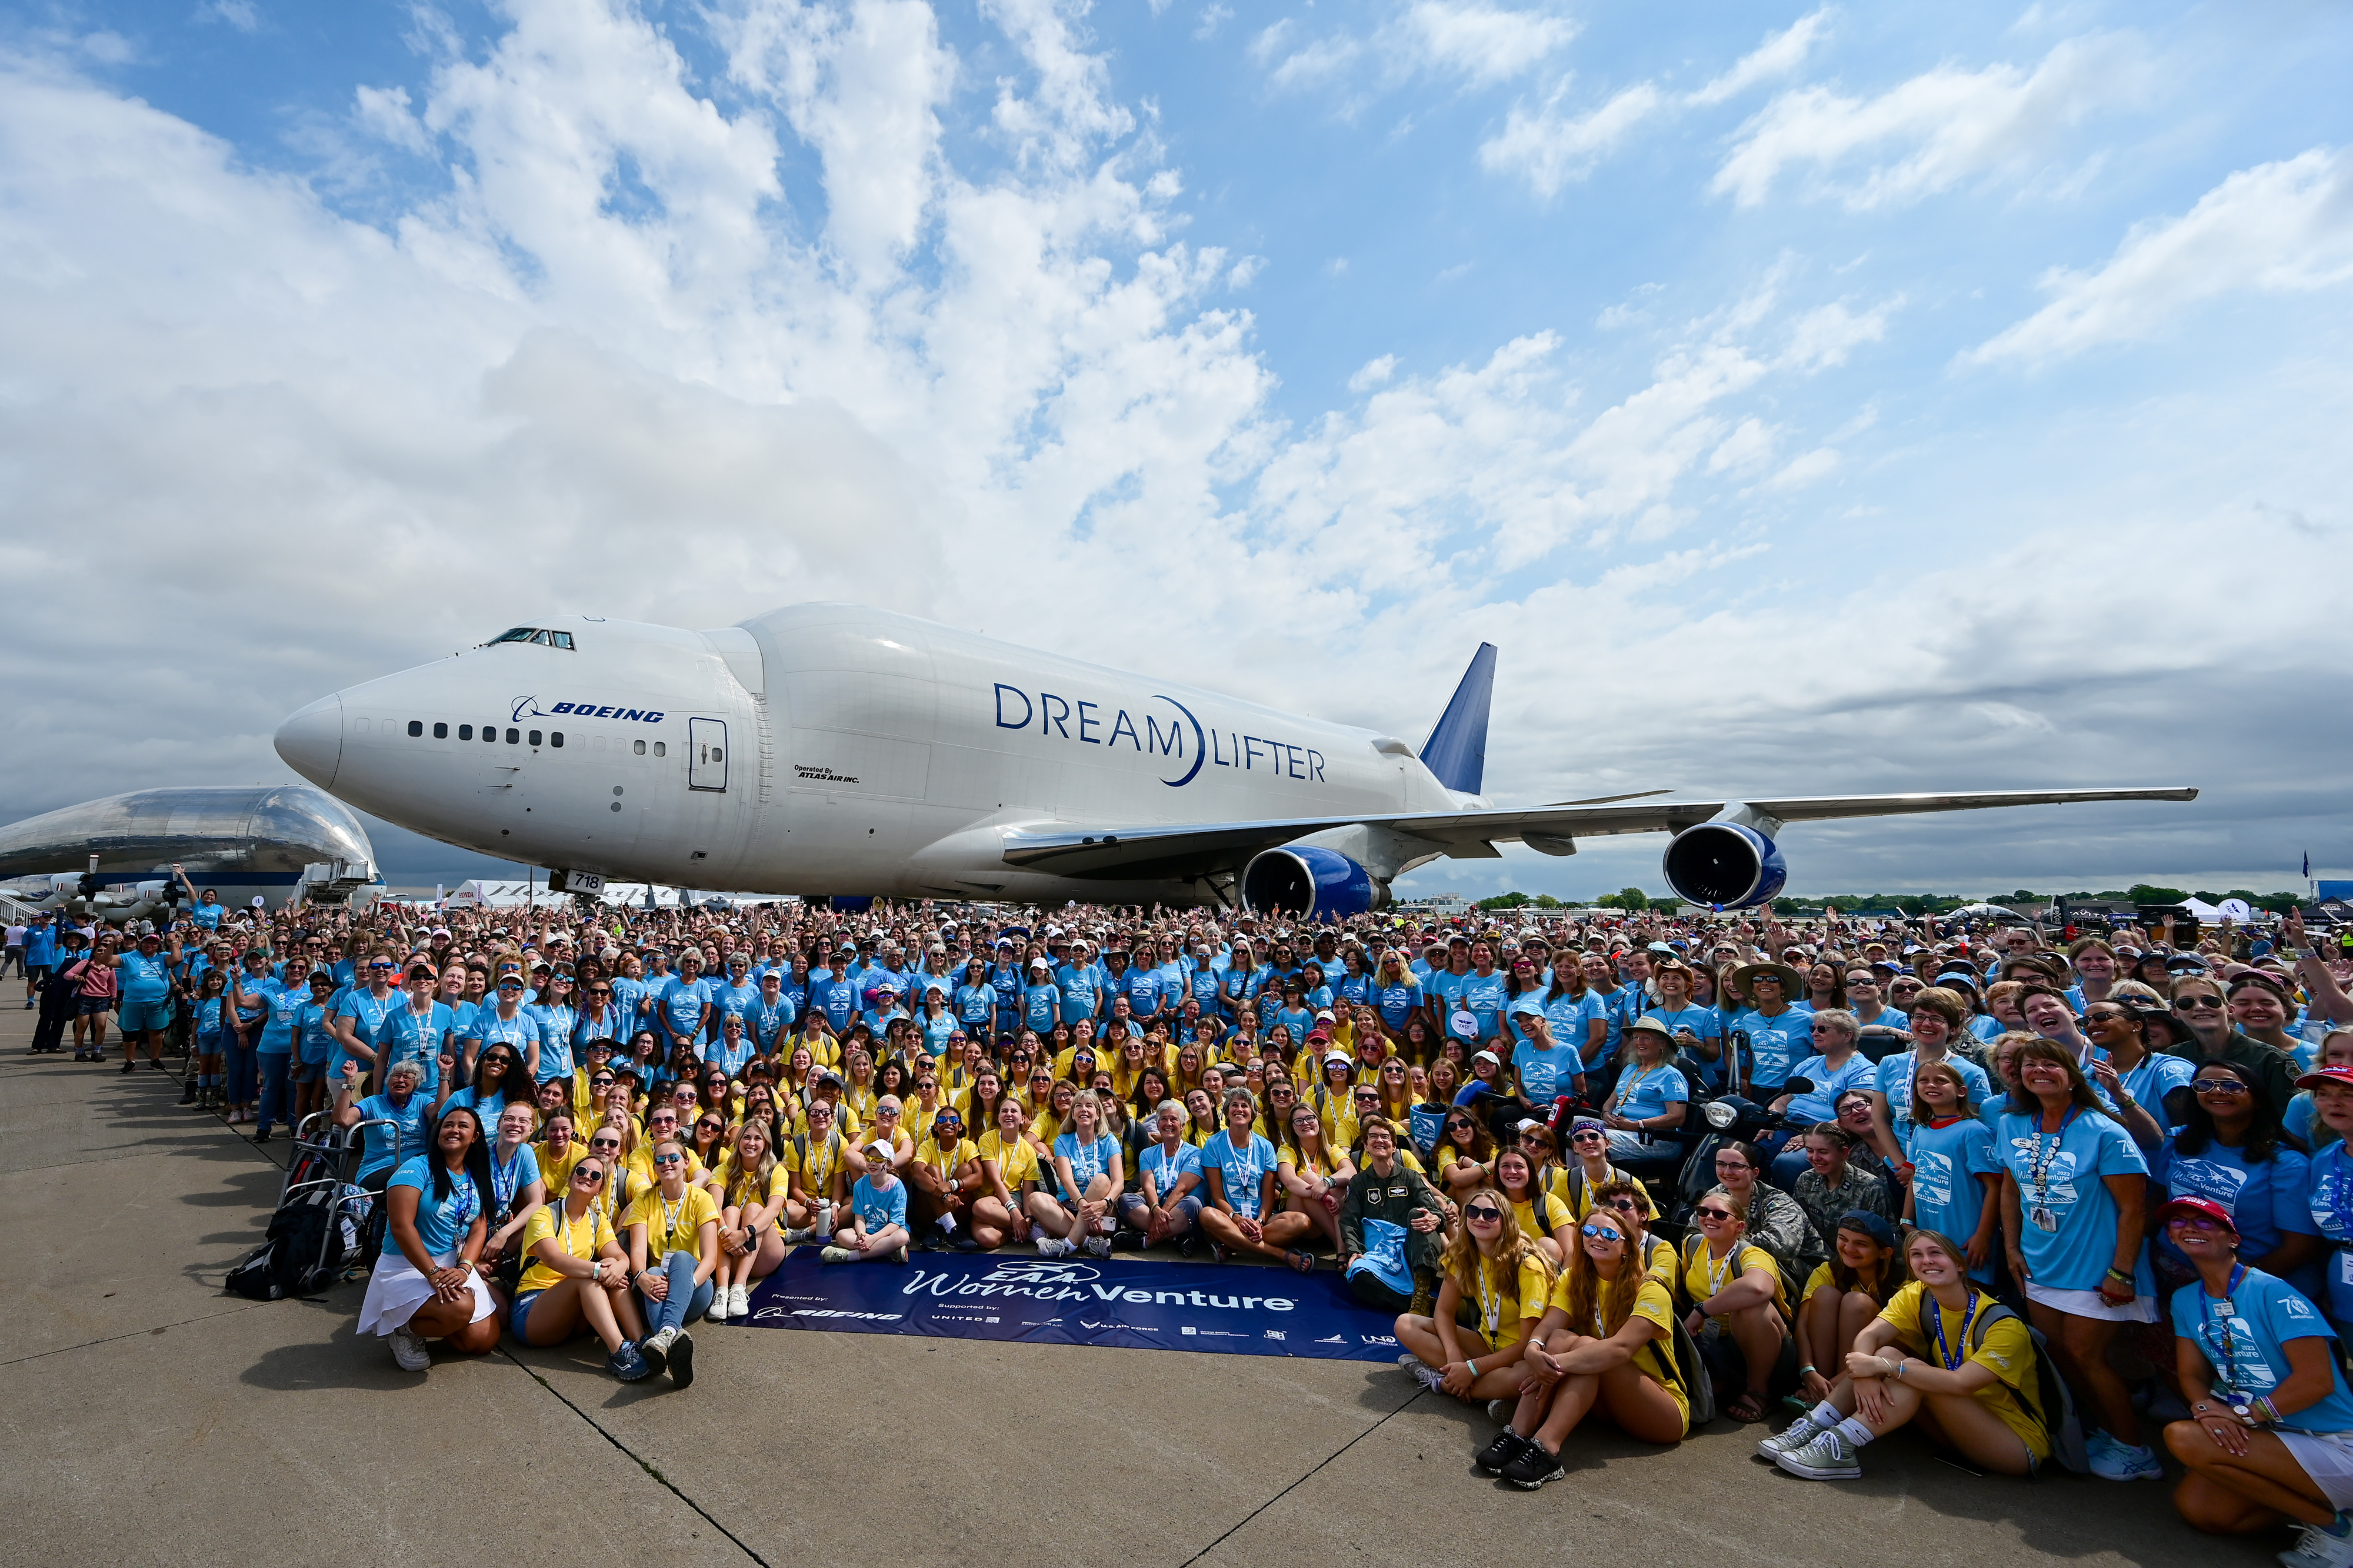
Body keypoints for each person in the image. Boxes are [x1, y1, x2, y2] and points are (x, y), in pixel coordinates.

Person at [1997, 1038, 2164, 1481]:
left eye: (2051, 1065)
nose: (2039, 1071)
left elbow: (2134, 1208)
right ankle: (2109, 1432)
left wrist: (2121, 1272)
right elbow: (2011, 1189)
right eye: (2030, 1065)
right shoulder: (2012, 1125)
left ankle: (2135, 1447)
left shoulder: (2105, 1130)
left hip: (2097, 1264)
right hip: (2039, 1260)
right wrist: (2012, 1248)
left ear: (2073, 1075)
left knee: (2085, 1355)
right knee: (2061, 1357)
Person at [1759, 1227, 2048, 1482]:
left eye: (1936, 1253)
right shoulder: (1917, 1294)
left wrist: (1886, 1368)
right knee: (1886, 1352)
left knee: (1904, 1368)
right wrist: (1864, 1376)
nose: (1927, 1261)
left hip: (2013, 1444)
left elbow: (1962, 1384)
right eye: (1917, 1255)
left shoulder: (2003, 1325)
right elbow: (1868, 1337)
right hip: (1951, 1426)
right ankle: (1815, 1425)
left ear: (1960, 1265)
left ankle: (1840, 1446)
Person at [2159, 1195, 2353, 1564]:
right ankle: (2317, 1506)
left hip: (2336, 1444)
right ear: (2170, 1238)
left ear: (2233, 1239)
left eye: (2203, 1222)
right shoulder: (2186, 1300)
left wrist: (2245, 1416)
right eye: (2179, 1223)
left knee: (2183, 1439)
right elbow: (2191, 1373)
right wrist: (2205, 1407)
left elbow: (2317, 1382)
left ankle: (2336, 1531)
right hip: (2274, 1437)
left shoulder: (2273, 1291)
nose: (2189, 1228)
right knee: (2202, 1510)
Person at [1481, 1200, 1689, 1490]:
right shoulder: (1576, 1278)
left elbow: (1621, 1350)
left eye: (1609, 1234)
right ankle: (1517, 1434)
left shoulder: (1650, 1289)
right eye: (1590, 1230)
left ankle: (1548, 1449)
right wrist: (1533, 1350)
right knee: (1559, 1338)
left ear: (1628, 1246)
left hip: (1660, 1410)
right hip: (1602, 1396)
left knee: (1588, 1348)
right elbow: (1548, 1326)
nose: (1597, 1238)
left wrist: (1551, 1364)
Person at [2151, 1059, 2321, 1302]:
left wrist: (2227, 1288)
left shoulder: (2286, 1164)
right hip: (2169, 1269)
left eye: (2232, 1086)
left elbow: (2299, 1247)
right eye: (2204, 1085)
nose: (2217, 1091)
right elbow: (2155, 1202)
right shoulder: (2179, 1139)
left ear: (2258, 1098)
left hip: (2253, 1282)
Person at [357, 1104, 501, 1372]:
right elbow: (401, 1227)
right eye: (448, 1125)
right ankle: (405, 1330)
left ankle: (438, 1317)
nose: (454, 1130)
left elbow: (479, 1225)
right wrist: (433, 1273)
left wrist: (465, 1267)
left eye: (463, 1126)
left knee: (482, 1342)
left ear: (476, 1136)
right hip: (407, 1266)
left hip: (451, 1265)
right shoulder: (415, 1168)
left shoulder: (476, 1174)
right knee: (461, 1308)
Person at [1394, 1184, 1552, 1406]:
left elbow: (1527, 1343)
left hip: (1519, 1354)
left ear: (1505, 1220)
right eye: (1473, 1211)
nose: (1480, 1219)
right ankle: (1476, 1385)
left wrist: (1472, 1368)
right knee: (1405, 1324)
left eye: (1490, 1214)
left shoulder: (1527, 1266)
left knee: (1526, 1376)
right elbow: (1444, 1312)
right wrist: (1455, 1357)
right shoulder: (1464, 1254)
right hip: (1486, 1345)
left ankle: (1445, 1383)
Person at [511, 1155, 654, 1381]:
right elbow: (553, 1258)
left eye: (595, 1176)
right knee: (591, 1277)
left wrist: (621, 1265)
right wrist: (600, 1270)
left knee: (614, 1277)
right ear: (570, 1179)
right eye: (581, 1171)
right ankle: (619, 1353)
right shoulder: (545, 1214)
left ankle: (641, 1343)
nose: (587, 1177)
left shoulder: (598, 1220)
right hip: (532, 1311)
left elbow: (618, 1254)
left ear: (600, 1189)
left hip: (572, 1316)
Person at [1679, 1190, 1794, 1424]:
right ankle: (1727, 1383)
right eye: (1703, 1211)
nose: (1709, 1217)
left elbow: (1759, 1288)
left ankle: (1758, 1391)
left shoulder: (1750, 1253)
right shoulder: (1692, 1245)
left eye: (1720, 1215)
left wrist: (1701, 1311)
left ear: (1739, 1227)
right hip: (1714, 1344)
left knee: (1749, 1307)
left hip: (1767, 1348)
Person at [625, 1137, 720, 1386]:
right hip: (658, 1287)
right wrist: (641, 1277)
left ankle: (663, 1333)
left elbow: (710, 1260)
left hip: (696, 1287)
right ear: (654, 1167)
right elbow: (637, 1254)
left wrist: (684, 1285)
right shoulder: (644, 1200)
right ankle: (669, 1340)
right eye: (660, 1160)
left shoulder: (701, 1198)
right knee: (654, 1268)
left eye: (674, 1158)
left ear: (686, 1163)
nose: (666, 1163)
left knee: (680, 1256)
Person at [1904, 1059, 2002, 1283]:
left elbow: (1994, 1187)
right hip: (1929, 1239)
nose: (1931, 1085)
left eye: (1941, 1081)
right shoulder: (1921, 1129)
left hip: (1966, 1242)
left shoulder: (1973, 1131)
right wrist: (1906, 1220)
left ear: (1961, 1091)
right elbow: (1916, 1176)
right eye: (1924, 1080)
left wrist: (1983, 1236)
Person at [1795, 1209, 1907, 1405]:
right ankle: (1821, 1389)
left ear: (1885, 1253)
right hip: (1833, 1368)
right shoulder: (1828, 1271)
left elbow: (1909, 1344)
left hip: (1888, 1360)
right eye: (1843, 1239)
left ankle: (1838, 1395)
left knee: (1856, 1302)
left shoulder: (1904, 1284)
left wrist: (1842, 1379)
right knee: (1825, 1294)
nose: (1849, 1248)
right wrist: (1808, 1370)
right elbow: (1803, 1325)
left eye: (1861, 1244)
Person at [1339, 1116, 1448, 1313]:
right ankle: (1420, 1305)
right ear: (1366, 1146)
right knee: (1357, 1275)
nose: (1379, 1140)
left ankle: (1421, 1293)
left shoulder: (1412, 1177)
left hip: (1411, 1250)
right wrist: (1355, 1251)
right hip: (1377, 1255)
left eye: (1385, 1137)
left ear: (1394, 1146)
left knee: (1420, 1214)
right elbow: (1349, 1222)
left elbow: (1434, 1211)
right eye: (1373, 1137)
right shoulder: (1358, 1182)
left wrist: (1435, 1218)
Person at [1199, 1086, 1315, 1263]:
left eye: (1245, 1106)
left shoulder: (1265, 1146)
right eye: (1234, 1105)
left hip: (1261, 1220)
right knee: (1207, 1214)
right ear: (1227, 1112)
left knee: (1302, 1222)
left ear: (1253, 1114)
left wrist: (1260, 1222)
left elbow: (1268, 1195)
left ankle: (1232, 1244)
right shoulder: (1213, 1144)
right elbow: (1217, 1196)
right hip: (1229, 1218)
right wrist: (1237, 1219)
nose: (1239, 1110)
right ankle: (1283, 1255)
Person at [706, 1120, 788, 1319]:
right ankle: (722, 1289)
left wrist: (745, 1234)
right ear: (738, 1141)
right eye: (746, 1137)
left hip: (765, 1252)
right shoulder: (723, 1169)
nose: (751, 1143)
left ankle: (739, 1289)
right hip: (730, 1248)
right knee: (730, 1212)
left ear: (766, 1144)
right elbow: (713, 1205)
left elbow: (774, 1209)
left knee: (753, 1210)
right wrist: (725, 1232)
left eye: (758, 1138)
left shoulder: (776, 1171)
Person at [971, 1093, 1042, 1250]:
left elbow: (1027, 1191)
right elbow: (996, 1181)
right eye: (1004, 1111)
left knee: (982, 1213)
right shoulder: (987, 1139)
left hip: (1013, 1198)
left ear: (1023, 1119)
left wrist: (1027, 1216)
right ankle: (1022, 1231)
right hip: (990, 1198)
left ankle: (1022, 1228)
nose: (1009, 1114)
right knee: (986, 1236)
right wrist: (1016, 1217)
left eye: (1014, 1111)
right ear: (998, 1117)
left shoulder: (1028, 1150)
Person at [825, 1139, 912, 1264]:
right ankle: (888, 1252)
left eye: (878, 1160)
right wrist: (862, 1235)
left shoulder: (897, 1187)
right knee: (841, 1236)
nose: (872, 1162)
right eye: (869, 1158)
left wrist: (872, 1240)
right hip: (867, 1231)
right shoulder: (860, 1185)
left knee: (902, 1237)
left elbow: (895, 1224)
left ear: (888, 1164)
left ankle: (851, 1256)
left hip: (889, 1232)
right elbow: (859, 1218)